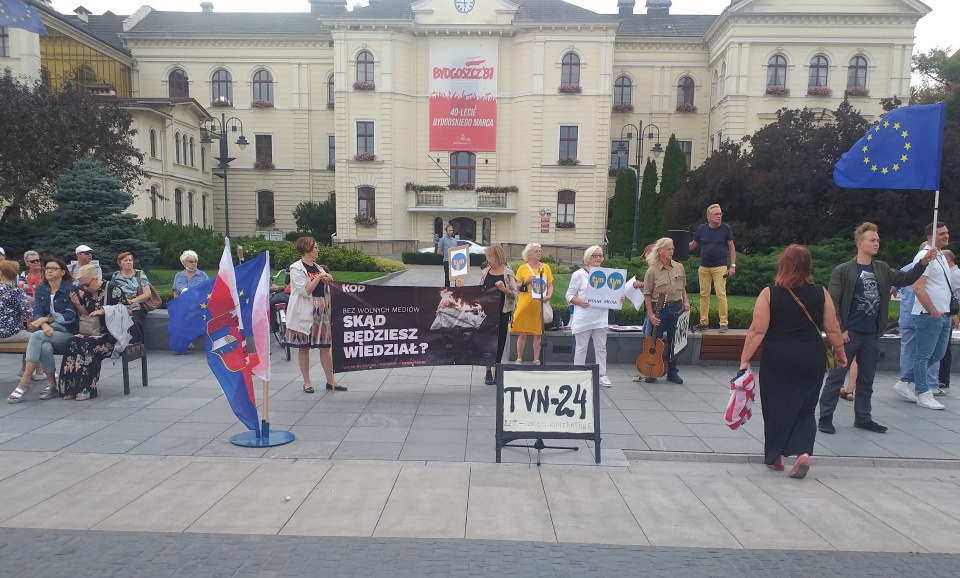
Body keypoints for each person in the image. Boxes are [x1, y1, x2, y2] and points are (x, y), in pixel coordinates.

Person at [739, 245, 847, 479]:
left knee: (776, 405)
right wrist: (840, 352)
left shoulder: (769, 293)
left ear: (782, 265)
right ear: (808, 266)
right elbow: (833, 327)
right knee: (806, 406)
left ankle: (777, 457)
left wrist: (745, 359)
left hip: (778, 357)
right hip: (811, 356)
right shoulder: (821, 292)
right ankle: (803, 453)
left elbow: (757, 330)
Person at [817, 223, 934, 435]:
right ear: (860, 243)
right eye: (872, 240)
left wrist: (923, 263)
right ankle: (825, 417)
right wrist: (840, 330)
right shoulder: (843, 271)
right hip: (849, 334)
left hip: (871, 334)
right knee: (836, 377)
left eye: (877, 239)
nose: (877, 243)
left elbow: (905, 279)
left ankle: (863, 417)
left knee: (867, 379)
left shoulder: (881, 268)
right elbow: (832, 302)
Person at [893, 222, 955, 410]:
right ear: (930, 237)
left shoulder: (941, 257)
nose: (946, 236)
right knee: (923, 355)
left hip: (942, 313)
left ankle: (905, 381)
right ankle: (923, 392)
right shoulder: (924, 256)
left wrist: (947, 312)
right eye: (941, 233)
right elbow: (918, 287)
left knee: (938, 353)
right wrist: (933, 310)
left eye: (947, 233)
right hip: (929, 314)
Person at [6, 257, 79, 403]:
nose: (49, 271)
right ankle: (52, 385)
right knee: (44, 345)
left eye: (53, 268)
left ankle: (24, 382)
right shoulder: (42, 289)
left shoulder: (71, 289)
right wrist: (45, 325)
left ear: (63, 272)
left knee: (37, 337)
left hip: (66, 332)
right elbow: (37, 312)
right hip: (46, 332)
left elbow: (69, 315)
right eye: (47, 268)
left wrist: (47, 320)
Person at [57, 264, 132, 401]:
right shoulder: (87, 293)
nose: (85, 288)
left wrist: (105, 310)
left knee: (87, 344)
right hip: (93, 331)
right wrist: (78, 305)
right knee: (72, 342)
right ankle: (71, 388)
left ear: (96, 278)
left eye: (86, 284)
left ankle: (86, 389)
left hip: (111, 335)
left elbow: (128, 310)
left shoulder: (113, 289)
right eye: (82, 285)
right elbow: (88, 314)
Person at [286, 236, 344, 393]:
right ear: (307, 249)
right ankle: (307, 382)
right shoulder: (296, 269)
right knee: (303, 347)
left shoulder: (318, 267)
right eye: (315, 247)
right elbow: (305, 290)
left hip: (321, 309)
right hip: (304, 310)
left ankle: (331, 381)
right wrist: (319, 277)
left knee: (325, 346)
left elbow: (326, 287)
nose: (318, 250)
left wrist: (328, 280)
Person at [893, 251, 942, 399]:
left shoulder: (906, 268)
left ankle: (906, 381)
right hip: (924, 313)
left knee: (908, 350)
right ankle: (930, 383)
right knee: (928, 351)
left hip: (907, 316)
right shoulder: (932, 267)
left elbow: (893, 290)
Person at [643, 237, 691, 384]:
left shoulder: (679, 267)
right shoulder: (652, 271)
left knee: (674, 342)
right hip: (659, 309)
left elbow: (682, 287)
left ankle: (672, 372)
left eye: (673, 248)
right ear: (661, 251)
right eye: (669, 249)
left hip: (676, 308)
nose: (672, 251)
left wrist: (686, 301)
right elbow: (647, 294)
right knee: (654, 341)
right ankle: (651, 371)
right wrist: (650, 314)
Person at [566, 246, 613, 387]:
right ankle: (578, 373)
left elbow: (610, 293)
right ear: (588, 257)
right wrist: (579, 301)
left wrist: (617, 298)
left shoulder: (606, 274)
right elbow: (569, 295)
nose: (598, 258)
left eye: (600, 255)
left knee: (601, 347)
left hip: (600, 317)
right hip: (584, 317)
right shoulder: (578, 275)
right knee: (581, 347)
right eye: (595, 255)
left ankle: (602, 375)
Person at [688, 204, 736, 332]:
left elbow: (731, 247)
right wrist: (678, 246)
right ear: (708, 216)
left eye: (720, 214)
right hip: (704, 266)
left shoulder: (726, 229)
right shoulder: (702, 229)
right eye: (716, 214)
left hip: (720, 266)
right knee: (704, 295)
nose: (719, 216)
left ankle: (724, 323)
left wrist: (732, 266)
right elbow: (693, 245)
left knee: (721, 294)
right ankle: (703, 322)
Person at [479, 245, 518, 385]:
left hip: (502, 313)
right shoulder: (485, 272)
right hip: (486, 314)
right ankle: (488, 372)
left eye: (489, 257)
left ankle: (497, 370)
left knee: (500, 341)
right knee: (487, 342)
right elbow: (478, 292)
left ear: (497, 257)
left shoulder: (507, 273)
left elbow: (515, 296)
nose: (487, 260)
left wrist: (504, 289)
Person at [511, 243, 554, 365]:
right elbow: (516, 287)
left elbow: (550, 285)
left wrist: (548, 295)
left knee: (537, 333)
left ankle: (536, 359)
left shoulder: (546, 267)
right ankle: (519, 358)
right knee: (522, 333)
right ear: (529, 253)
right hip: (525, 303)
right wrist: (526, 281)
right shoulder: (522, 268)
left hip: (538, 304)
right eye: (536, 251)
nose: (539, 253)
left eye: (540, 251)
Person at [936, 249, 960, 390]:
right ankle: (942, 378)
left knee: (944, 348)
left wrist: (953, 313)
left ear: (948, 260)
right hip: (947, 313)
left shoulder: (955, 275)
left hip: (948, 313)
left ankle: (943, 378)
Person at [0, 260, 32, 344]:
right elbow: (29, 315)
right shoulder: (17, 292)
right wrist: (29, 330)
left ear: (1, 273)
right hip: (9, 333)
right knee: (36, 337)